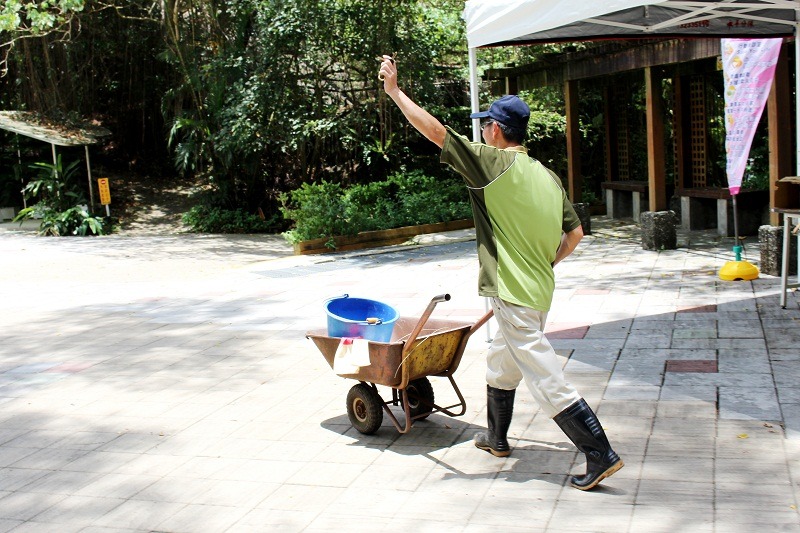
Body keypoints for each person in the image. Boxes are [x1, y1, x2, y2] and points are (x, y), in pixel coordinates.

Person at [378, 56, 623, 491]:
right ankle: (496, 438)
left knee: (543, 372)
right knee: (501, 360)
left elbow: (437, 133)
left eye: (485, 125)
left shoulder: (494, 165)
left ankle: (598, 452)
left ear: (495, 129)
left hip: (513, 292)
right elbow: (577, 233)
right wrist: (545, 263)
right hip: (536, 290)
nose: (483, 131)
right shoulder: (547, 176)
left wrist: (396, 92)